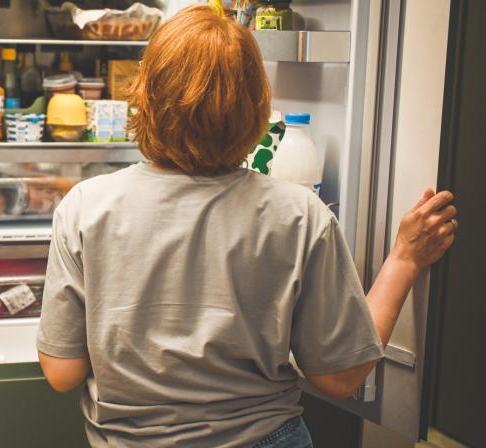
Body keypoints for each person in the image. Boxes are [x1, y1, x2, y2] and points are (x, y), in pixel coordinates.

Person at [36, 5, 457, 448]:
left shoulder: (86, 206)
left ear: (146, 96)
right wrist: (405, 259)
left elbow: (62, 373)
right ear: (256, 104)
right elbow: (340, 376)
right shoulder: (299, 213)